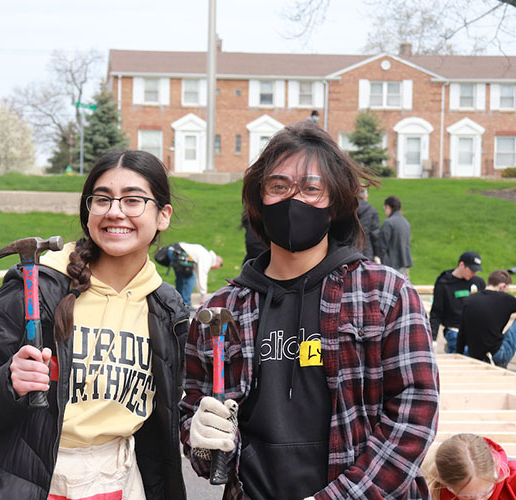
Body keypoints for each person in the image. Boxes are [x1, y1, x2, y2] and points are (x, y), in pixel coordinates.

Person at [180, 122, 439, 499]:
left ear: (335, 203)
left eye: (311, 188)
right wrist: (201, 439)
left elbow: (414, 414)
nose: (293, 199)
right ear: (259, 199)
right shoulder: (222, 311)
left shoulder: (384, 293)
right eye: (279, 186)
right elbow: (195, 418)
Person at [0, 150, 189, 500]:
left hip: (122, 483)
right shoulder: (37, 289)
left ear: (162, 215)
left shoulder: (168, 311)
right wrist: (8, 383)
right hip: (30, 483)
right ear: (88, 211)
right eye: (102, 199)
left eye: (133, 200)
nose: (115, 211)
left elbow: (169, 419)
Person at [425, 433, 516, 500]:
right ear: (447, 485)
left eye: (486, 493)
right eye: (467, 497)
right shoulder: (433, 492)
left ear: (495, 470)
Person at [456, 270, 516, 372]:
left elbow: (462, 332)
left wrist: (459, 356)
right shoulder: (505, 299)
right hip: (497, 355)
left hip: (474, 355)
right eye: (506, 289)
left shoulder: (469, 300)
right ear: (502, 286)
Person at [429, 251, 487, 354]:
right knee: (468, 352)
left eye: (476, 271)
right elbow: (436, 312)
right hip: (454, 330)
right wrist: (432, 339)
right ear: (461, 265)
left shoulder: (479, 283)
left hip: (475, 330)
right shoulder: (444, 283)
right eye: (471, 270)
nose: (474, 273)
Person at [165, 241, 223, 309]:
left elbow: (198, 276)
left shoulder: (205, 254)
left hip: (173, 251)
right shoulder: (207, 258)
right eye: (220, 265)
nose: (214, 269)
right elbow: (202, 276)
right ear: (218, 261)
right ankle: (186, 304)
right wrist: (203, 295)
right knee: (190, 278)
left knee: (181, 278)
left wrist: (201, 293)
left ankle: (178, 303)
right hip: (179, 253)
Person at [376, 195, 413, 276]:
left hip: (391, 267)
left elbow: (381, 247)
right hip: (404, 265)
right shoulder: (406, 223)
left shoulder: (388, 223)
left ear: (388, 207)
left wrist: (384, 265)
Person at [356, 188, 380, 261]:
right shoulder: (371, 210)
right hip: (366, 252)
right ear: (364, 195)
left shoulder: (345, 209)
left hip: (345, 253)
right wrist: (377, 254)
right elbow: (375, 235)